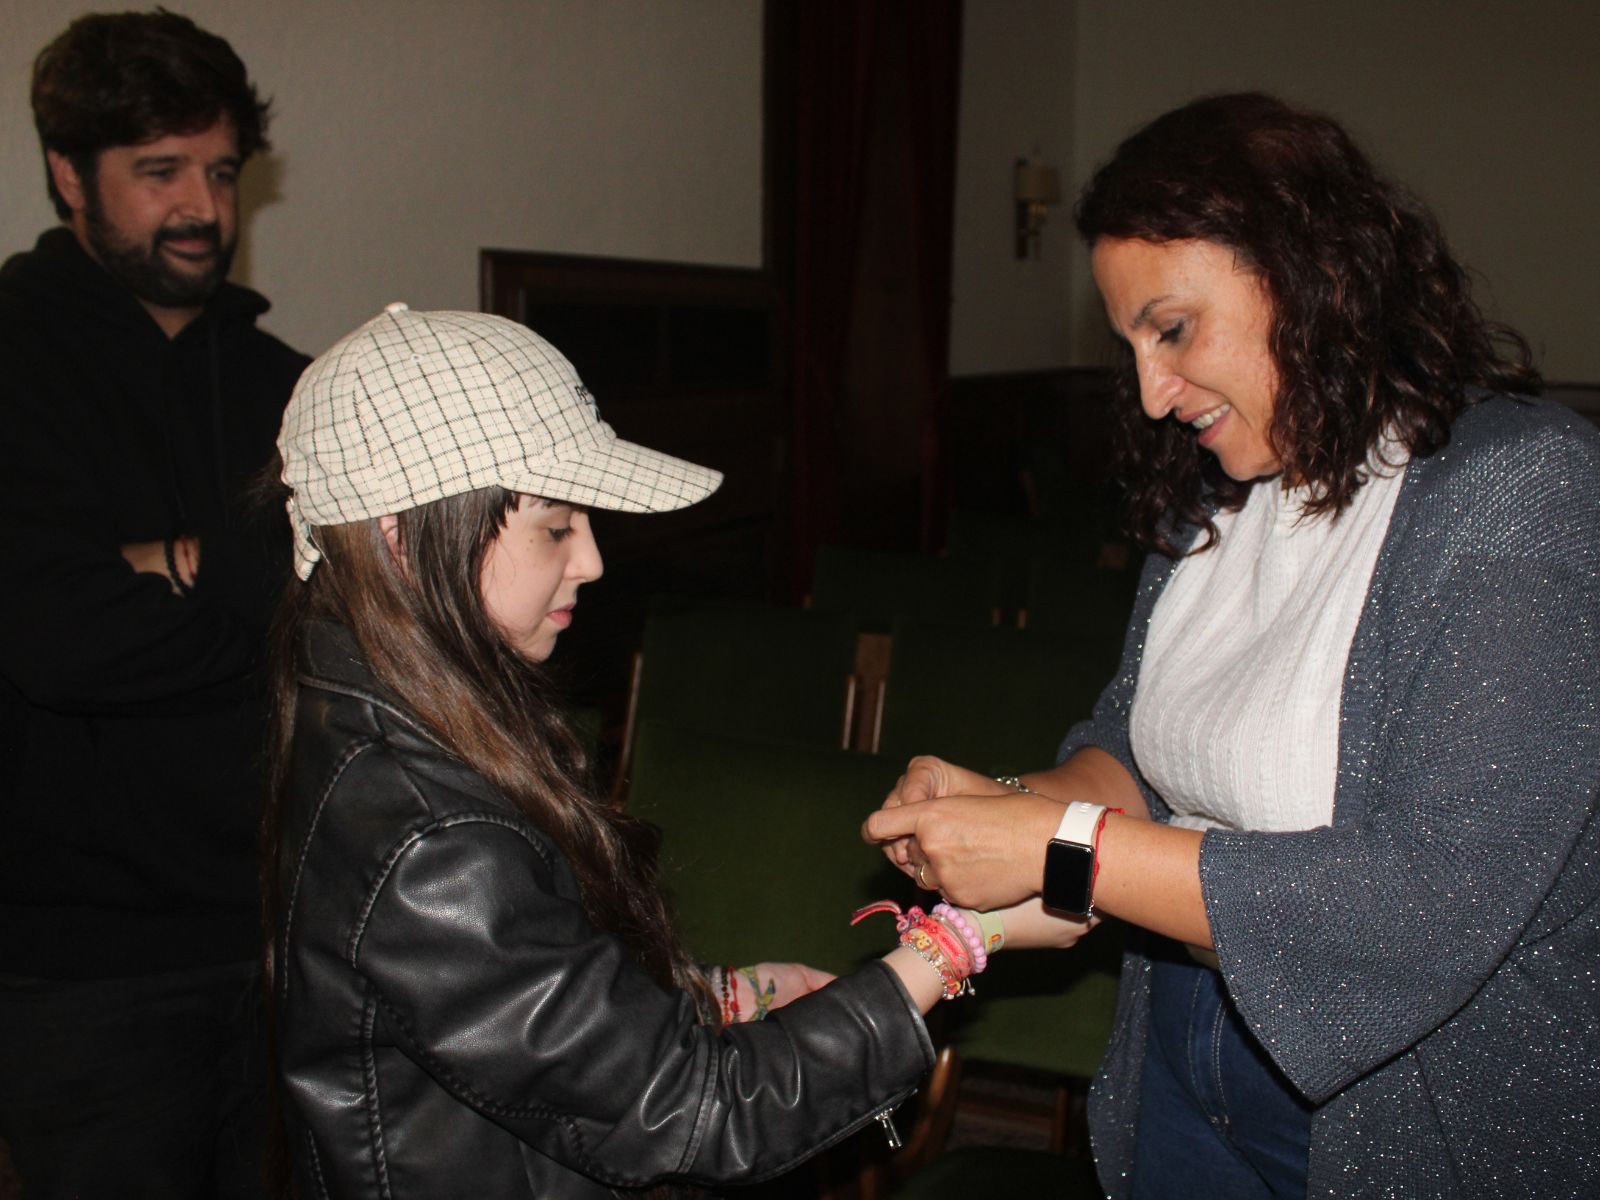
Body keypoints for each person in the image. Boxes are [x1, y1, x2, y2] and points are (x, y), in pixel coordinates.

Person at [865, 92, 1599, 1199]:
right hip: (1186, 1044)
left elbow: (1428, 896)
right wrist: (1004, 804)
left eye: (1172, 329)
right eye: (1131, 349)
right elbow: (1131, 743)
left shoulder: (1515, 490)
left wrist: (1062, 845)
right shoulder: (1213, 502)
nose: (1153, 395)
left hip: (1411, 1093)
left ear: (1309, 274)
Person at [266, 303, 1084, 1197]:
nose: (591, 560)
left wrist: (717, 997)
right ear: (400, 537)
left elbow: (512, 1013)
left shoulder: (376, 709)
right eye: (553, 524)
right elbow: (695, 1117)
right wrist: (964, 937)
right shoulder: (428, 833)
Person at [0, 12, 308, 1197]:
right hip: (80, 973)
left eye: (221, 173)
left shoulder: (295, 387)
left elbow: (344, 622)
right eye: (159, 172)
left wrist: (150, 562)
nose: (202, 208)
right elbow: (53, 639)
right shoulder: (15, 360)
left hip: (284, 938)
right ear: (68, 174)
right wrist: (248, 568)